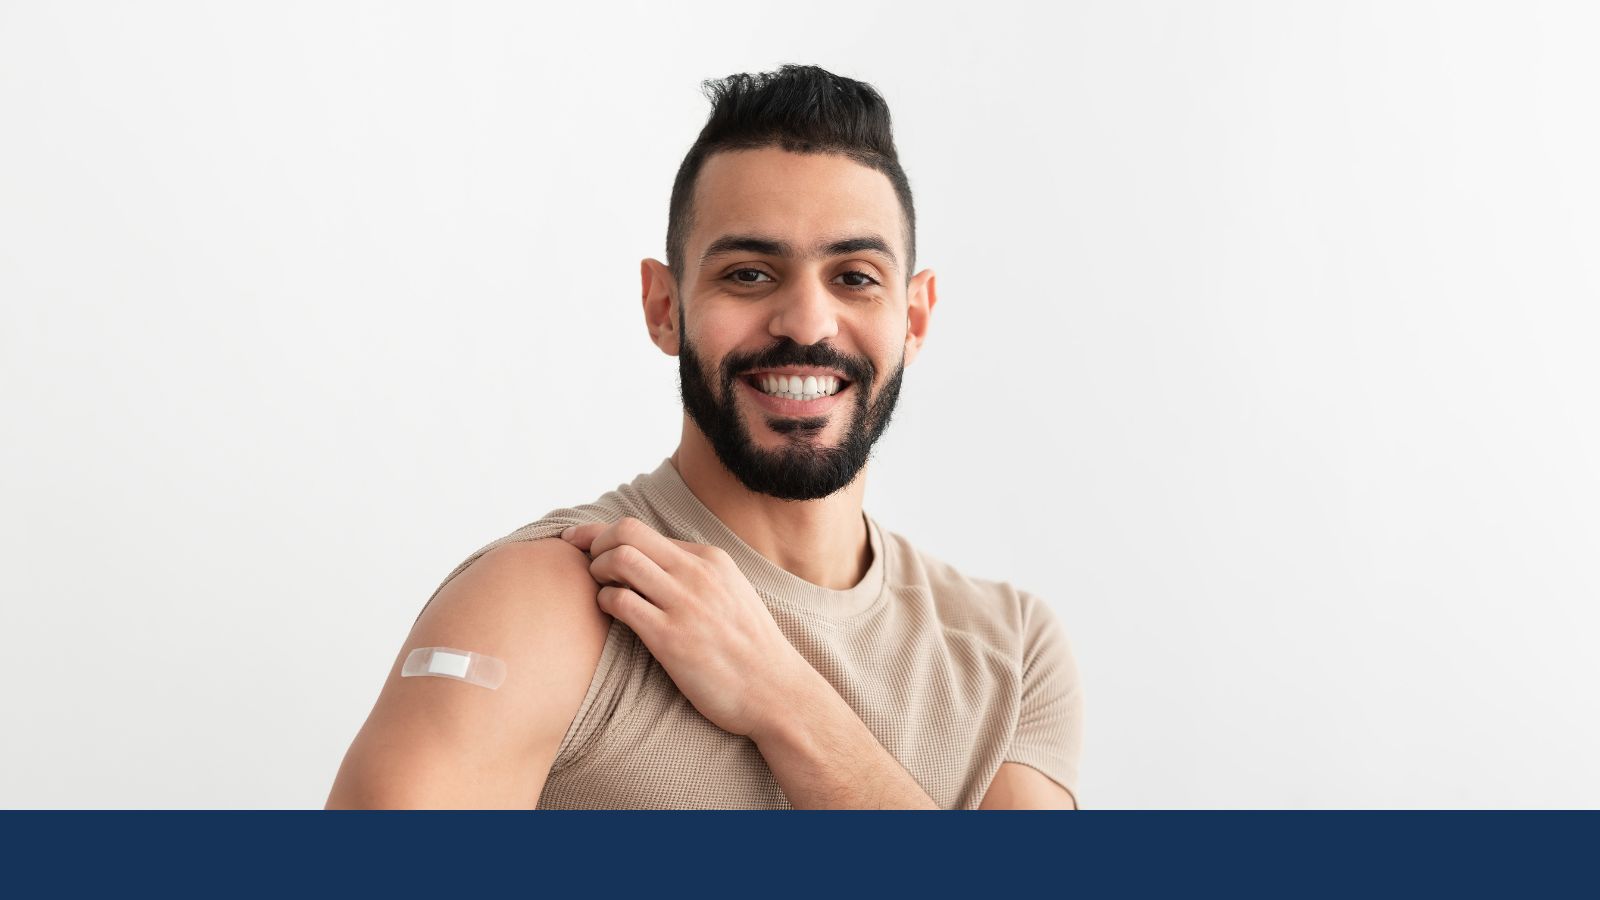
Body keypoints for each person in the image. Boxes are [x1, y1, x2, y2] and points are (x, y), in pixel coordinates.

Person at [326, 64, 1083, 810]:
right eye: (750, 275)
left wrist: (782, 699)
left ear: (914, 318)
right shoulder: (545, 605)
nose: (808, 324)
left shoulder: (1007, 651)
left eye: (854, 277)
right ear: (664, 307)